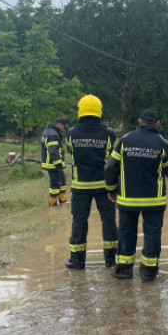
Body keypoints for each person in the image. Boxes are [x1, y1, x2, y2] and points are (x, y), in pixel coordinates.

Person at [104, 108, 168, 282]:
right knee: (153, 233)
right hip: (154, 200)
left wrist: (111, 189)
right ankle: (148, 273)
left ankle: (123, 270)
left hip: (127, 199)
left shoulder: (125, 140)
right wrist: (162, 172)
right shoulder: (161, 143)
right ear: (157, 123)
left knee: (126, 232)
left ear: (139, 121)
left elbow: (110, 168)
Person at [65, 95, 119, 270]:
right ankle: (111, 260)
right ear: (99, 111)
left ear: (80, 111)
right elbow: (116, 159)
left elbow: (70, 150)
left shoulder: (71, 133)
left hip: (80, 188)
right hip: (105, 187)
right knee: (109, 222)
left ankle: (77, 260)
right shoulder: (110, 134)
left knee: (79, 222)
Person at [40, 117, 69, 206]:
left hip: (52, 164)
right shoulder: (53, 135)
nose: (64, 130)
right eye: (64, 128)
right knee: (55, 184)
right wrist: (59, 165)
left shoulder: (47, 131)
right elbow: (53, 151)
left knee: (62, 181)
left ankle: (63, 201)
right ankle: (52, 204)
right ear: (59, 125)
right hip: (53, 165)